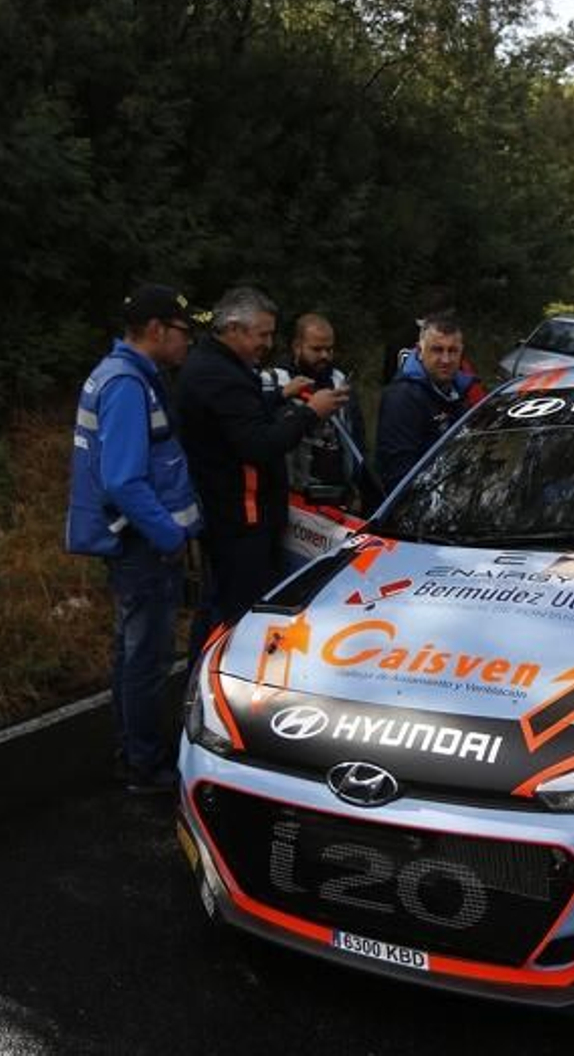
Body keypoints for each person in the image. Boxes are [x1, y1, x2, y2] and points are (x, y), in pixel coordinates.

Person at [66, 285, 204, 792]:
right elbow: (124, 479)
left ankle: (133, 749)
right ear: (156, 330)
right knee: (146, 657)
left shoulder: (123, 375)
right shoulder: (126, 385)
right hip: (142, 547)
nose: (188, 342)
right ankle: (145, 763)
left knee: (131, 651)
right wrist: (169, 535)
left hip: (135, 543)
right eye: (183, 332)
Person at [176, 287, 343, 639]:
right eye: (262, 334)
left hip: (239, 512)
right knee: (236, 614)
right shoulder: (217, 374)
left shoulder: (221, 364)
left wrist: (279, 396)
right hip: (240, 517)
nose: (268, 343)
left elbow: (239, 416)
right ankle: (216, 681)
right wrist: (310, 414)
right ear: (234, 328)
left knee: (223, 605)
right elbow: (257, 443)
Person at [263, 313, 367, 504]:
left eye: (329, 349)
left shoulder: (339, 381)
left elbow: (357, 437)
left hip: (337, 496)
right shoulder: (274, 381)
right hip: (290, 496)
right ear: (297, 346)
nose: (325, 356)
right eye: (316, 349)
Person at [375, 312, 482, 489]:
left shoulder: (460, 391)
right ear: (420, 350)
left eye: (453, 351)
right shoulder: (402, 397)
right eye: (437, 350)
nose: (446, 360)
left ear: (462, 353)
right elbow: (398, 476)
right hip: (418, 503)